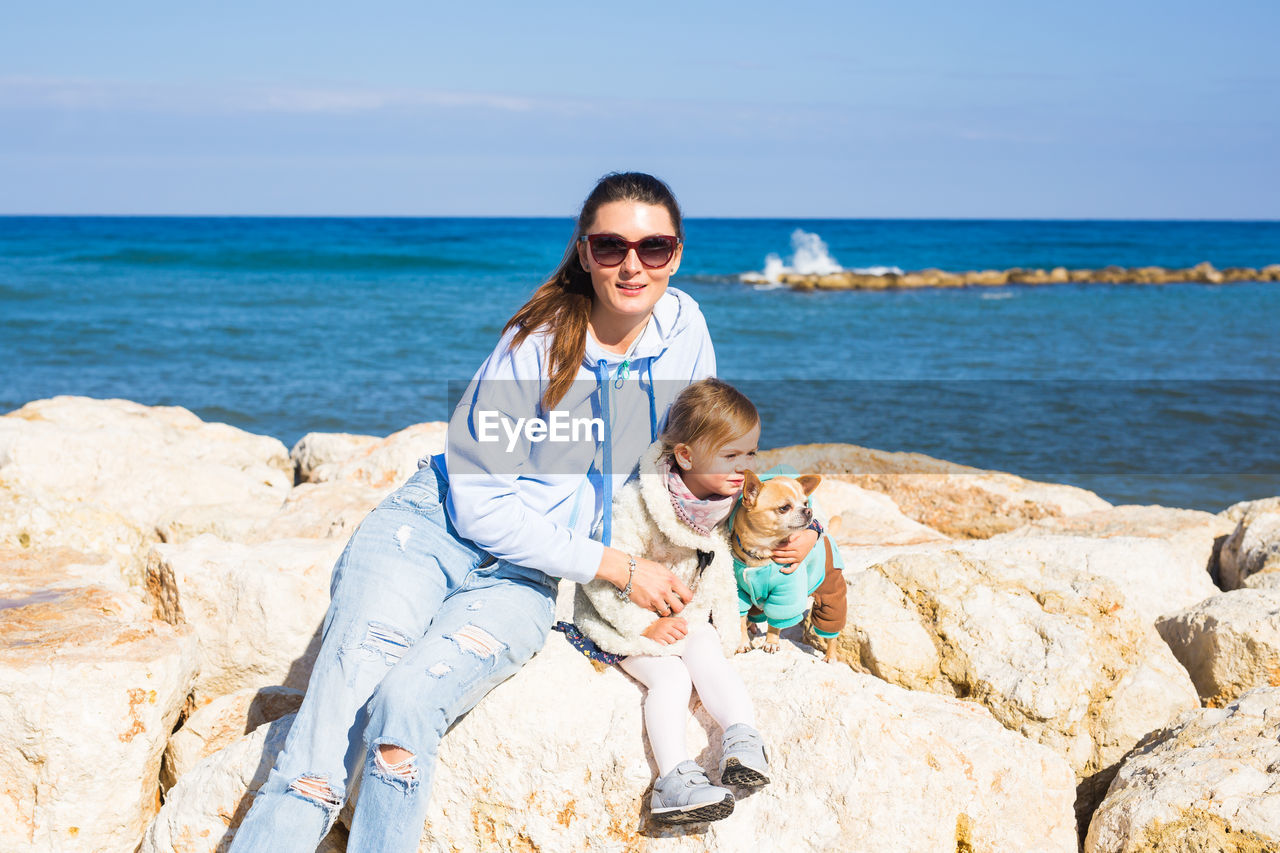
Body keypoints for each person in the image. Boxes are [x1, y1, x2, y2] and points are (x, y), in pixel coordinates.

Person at [230, 172, 716, 852]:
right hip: (428, 533)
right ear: (584, 252)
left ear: (677, 252)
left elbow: (681, 461)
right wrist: (615, 565)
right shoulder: (536, 344)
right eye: (611, 246)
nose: (633, 264)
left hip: (525, 579)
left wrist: (729, 548)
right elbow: (484, 505)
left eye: (654, 246)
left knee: (405, 708)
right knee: (327, 733)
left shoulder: (685, 328)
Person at [570, 379, 811, 824]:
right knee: (672, 679)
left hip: (683, 613)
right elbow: (603, 577)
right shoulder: (639, 503)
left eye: (750, 454)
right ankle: (673, 780)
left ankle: (743, 739)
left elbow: (785, 507)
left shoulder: (729, 496)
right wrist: (641, 627)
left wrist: (811, 534)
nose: (743, 469)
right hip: (622, 619)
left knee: (708, 652)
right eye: (730, 455)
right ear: (685, 456)